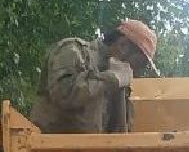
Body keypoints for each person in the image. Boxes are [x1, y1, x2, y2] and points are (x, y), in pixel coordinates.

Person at [29, 19, 158, 134]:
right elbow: (64, 94)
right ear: (123, 45)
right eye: (139, 63)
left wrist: (119, 91)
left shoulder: (116, 80)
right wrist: (111, 78)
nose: (136, 70)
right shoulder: (73, 51)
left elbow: (119, 134)